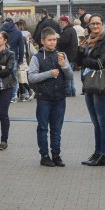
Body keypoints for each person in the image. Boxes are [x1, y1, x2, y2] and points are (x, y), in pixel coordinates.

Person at [28, 28, 73, 167]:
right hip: (44, 98)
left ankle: (56, 155)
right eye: (50, 40)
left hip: (59, 97)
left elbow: (70, 76)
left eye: (54, 40)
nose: (53, 42)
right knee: (42, 128)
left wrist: (64, 66)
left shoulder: (61, 55)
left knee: (57, 128)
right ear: (43, 41)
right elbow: (31, 77)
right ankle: (44, 155)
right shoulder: (37, 57)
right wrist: (49, 73)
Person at [75, 14, 105, 167]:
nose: (95, 26)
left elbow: (100, 63)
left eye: (98, 23)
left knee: (103, 122)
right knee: (96, 122)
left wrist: (85, 61)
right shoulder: (86, 41)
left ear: (103, 25)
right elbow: (77, 62)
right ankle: (97, 153)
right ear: (89, 25)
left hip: (101, 85)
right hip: (89, 84)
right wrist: (80, 50)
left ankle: (103, 155)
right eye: (93, 24)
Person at [0, 31, 16, 151]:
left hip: (6, 86)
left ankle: (4, 140)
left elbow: (8, 70)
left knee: (2, 113)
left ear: (5, 40)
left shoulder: (10, 54)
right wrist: (1, 66)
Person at [0, 17, 24, 101]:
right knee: (14, 76)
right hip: (14, 57)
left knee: (2, 75)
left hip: (2, 56)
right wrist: (21, 60)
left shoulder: (0, 31)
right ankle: (14, 95)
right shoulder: (18, 32)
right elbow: (21, 47)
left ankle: (4, 95)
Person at [57, 15, 78, 97]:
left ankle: (68, 91)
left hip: (67, 55)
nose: (60, 24)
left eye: (61, 22)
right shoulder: (71, 29)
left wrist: (57, 39)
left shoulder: (67, 31)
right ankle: (72, 90)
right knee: (70, 74)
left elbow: (63, 42)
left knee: (67, 74)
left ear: (66, 22)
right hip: (72, 54)